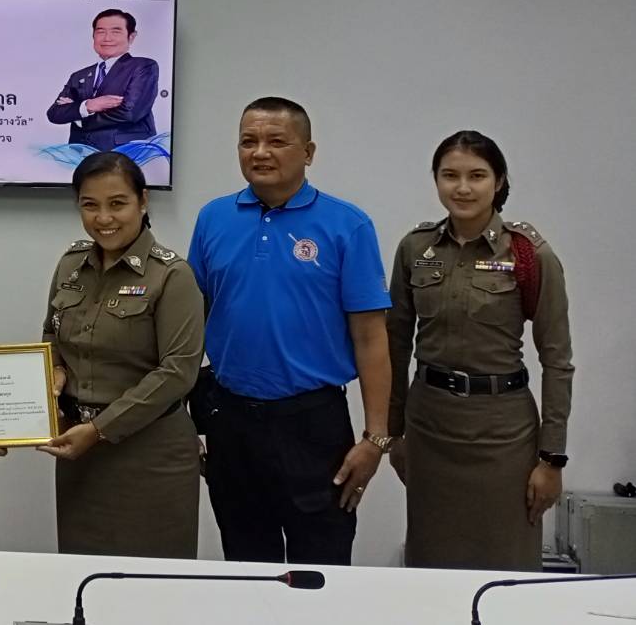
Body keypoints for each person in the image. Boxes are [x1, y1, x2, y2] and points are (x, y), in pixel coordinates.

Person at [188, 97, 391, 565]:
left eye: (276, 141)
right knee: (246, 563)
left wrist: (376, 438)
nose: (260, 152)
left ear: (308, 152)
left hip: (312, 422)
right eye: (248, 141)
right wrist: (181, 420)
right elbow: (191, 323)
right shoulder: (212, 218)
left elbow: (371, 338)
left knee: (320, 568)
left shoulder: (348, 225)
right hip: (230, 419)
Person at [386, 130, 574, 571]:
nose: (463, 188)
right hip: (430, 428)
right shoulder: (416, 247)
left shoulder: (528, 253)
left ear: (499, 181)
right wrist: (393, 433)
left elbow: (557, 360)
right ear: (436, 179)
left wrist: (552, 458)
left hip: (503, 434)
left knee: (505, 562)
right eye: (450, 175)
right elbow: (395, 344)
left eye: (477, 175)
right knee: (430, 561)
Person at [40, 152, 204, 558]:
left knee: (151, 579)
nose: (104, 218)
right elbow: (51, 334)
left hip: (150, 454)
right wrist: (55, 370)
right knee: (82, 574)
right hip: (80, 451)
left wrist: (100, 430)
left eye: (117, 204)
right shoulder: (71, 265)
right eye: (90, 205)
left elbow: (178, 372)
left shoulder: (171, 275)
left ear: (143, 201)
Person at [45, 9, 159, 151]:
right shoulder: (79, 75)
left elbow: (130, 112)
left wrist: (79, 115)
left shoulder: (143, 66)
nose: (107, 38)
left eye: (115, 32)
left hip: (126, 153)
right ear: (93, 36)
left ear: (131, 37)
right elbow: (55, 113)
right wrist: (88, 106)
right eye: (100, 32)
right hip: (80, 154)